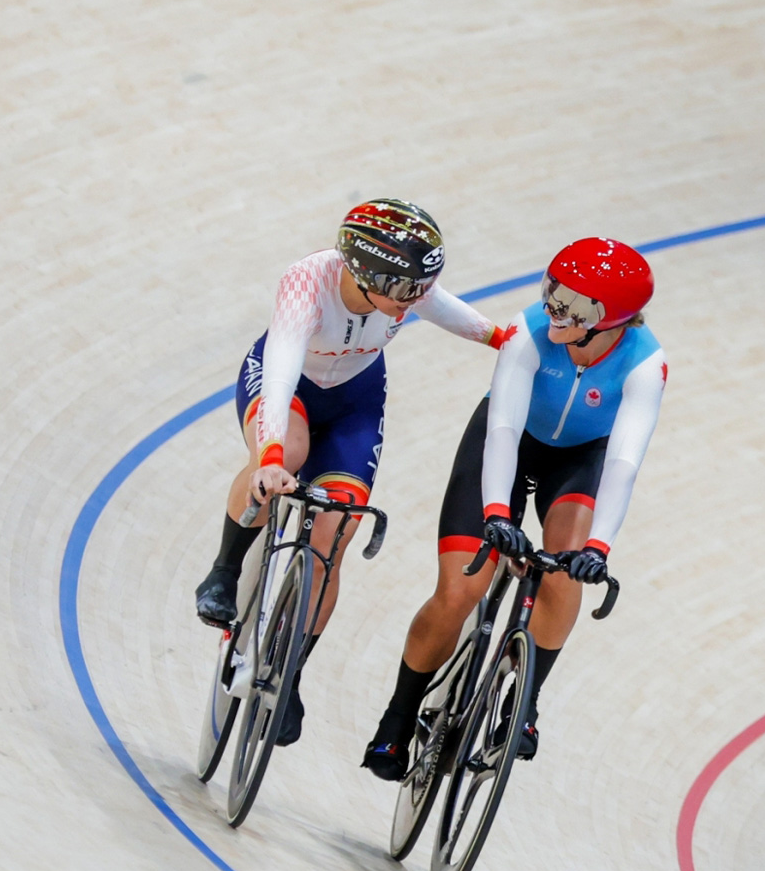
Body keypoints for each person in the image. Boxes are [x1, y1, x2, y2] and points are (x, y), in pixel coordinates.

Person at [194, 199, 513, 747]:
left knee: (337, 530)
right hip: (287, 386)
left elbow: (450, 311)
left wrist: (501, 339)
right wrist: (269, 457)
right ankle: (224, 570)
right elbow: (281, 370)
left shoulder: (404, 284)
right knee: (287, 454)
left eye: (421, 288)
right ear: (367, 276)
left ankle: (290, 674)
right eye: (406, 292)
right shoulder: (306, 282)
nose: (415, 301)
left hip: (354, 401)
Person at [362, 238, 666, 778]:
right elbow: (502, 426)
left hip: (578, 460)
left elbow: (623, 463)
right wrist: (499, 513)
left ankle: (523, 703)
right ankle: (397, 717)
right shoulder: (529, 332)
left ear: (610, 322)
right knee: (460, 591)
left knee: (564, 573)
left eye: (572, 307)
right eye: (553, 293)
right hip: (508, 439)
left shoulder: (645, 365)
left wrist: (598, 548)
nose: (555, 311)